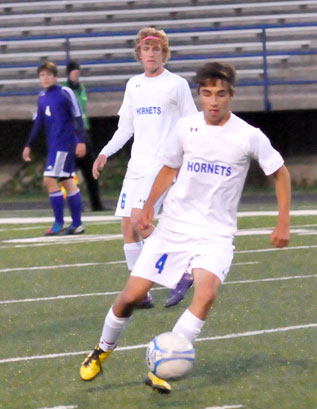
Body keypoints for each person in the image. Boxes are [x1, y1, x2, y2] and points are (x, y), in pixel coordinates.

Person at [80, 61, 291, 393]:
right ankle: (103, 349)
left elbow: (280, 173)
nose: (214, 101)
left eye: (221, 94)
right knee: (130, 297)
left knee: (205, 296)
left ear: (231, 95)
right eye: (207, 94)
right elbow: (168, 168)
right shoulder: (185, 128)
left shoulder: (248, 136)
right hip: (173, 230)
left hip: (216, 235)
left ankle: (163, 364)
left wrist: (283, 222)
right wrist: (149, 205)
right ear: (200, 95)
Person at [92, 27, 198, 308]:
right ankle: (142, 292)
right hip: (137, 166)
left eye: (157, 49)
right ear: (139, 54)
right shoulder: (133, 85)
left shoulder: (176, 84)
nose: (151, 54)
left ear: (164, 53)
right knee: (128, 227)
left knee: (142, 221)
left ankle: (182, 272)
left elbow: (192, 125)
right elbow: (126, 127)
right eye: (146, 49)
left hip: (162, 166)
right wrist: (105, 152)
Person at [22, 61, 86, 235]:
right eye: (42, 75)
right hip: (54, 145)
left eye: (48, 75)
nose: (45, 78)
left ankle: (58, 222)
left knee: (49, 180)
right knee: (67, 181)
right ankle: (77, 224)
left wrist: (81, 141)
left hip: (64, 144)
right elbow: (38, 123)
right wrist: (28, 144)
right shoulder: (42, 97)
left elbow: (78, 116)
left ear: (56, 77)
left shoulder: (65, 92)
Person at [63, 60, 105, 212]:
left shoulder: (81, 87)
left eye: (78, 72)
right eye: (74, 72)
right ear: (69, 73)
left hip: (84, 131)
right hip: (71, 133)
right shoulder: (64, 89)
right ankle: (73, 205)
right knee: (70, 173)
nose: (76, 75)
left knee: (90, 170)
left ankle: (96, 204)